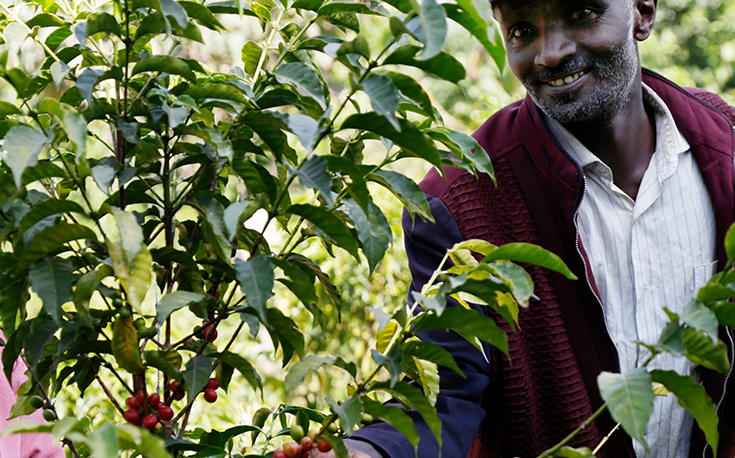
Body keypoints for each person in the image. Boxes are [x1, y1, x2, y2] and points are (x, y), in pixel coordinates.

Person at [312, 0, 735, 456]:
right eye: (520, 31)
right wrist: (367, 452)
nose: (550, 52)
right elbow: (443, 389)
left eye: (581, 12)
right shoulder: (461, 202)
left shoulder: (724, 142)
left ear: (643, 11)